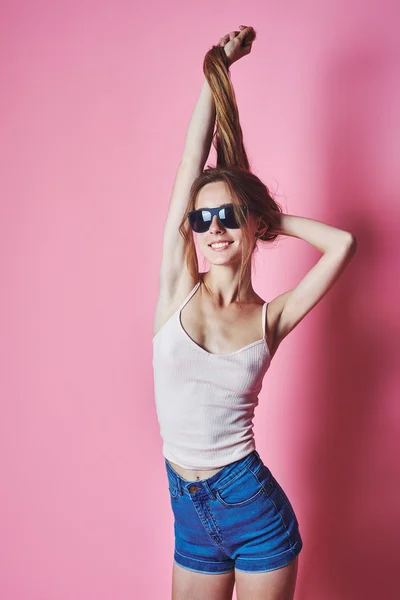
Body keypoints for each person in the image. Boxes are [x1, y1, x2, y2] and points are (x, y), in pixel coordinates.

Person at [152, 26, 357, 600]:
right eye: (201, 218)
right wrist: (218, 68)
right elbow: (192, 159)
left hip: (254, 511)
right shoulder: (176, 290)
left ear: (248, 225)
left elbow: (342, 243)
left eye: (227, 216)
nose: (213, 228)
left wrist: (267, 214)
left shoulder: (273, 318)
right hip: (189, 516)